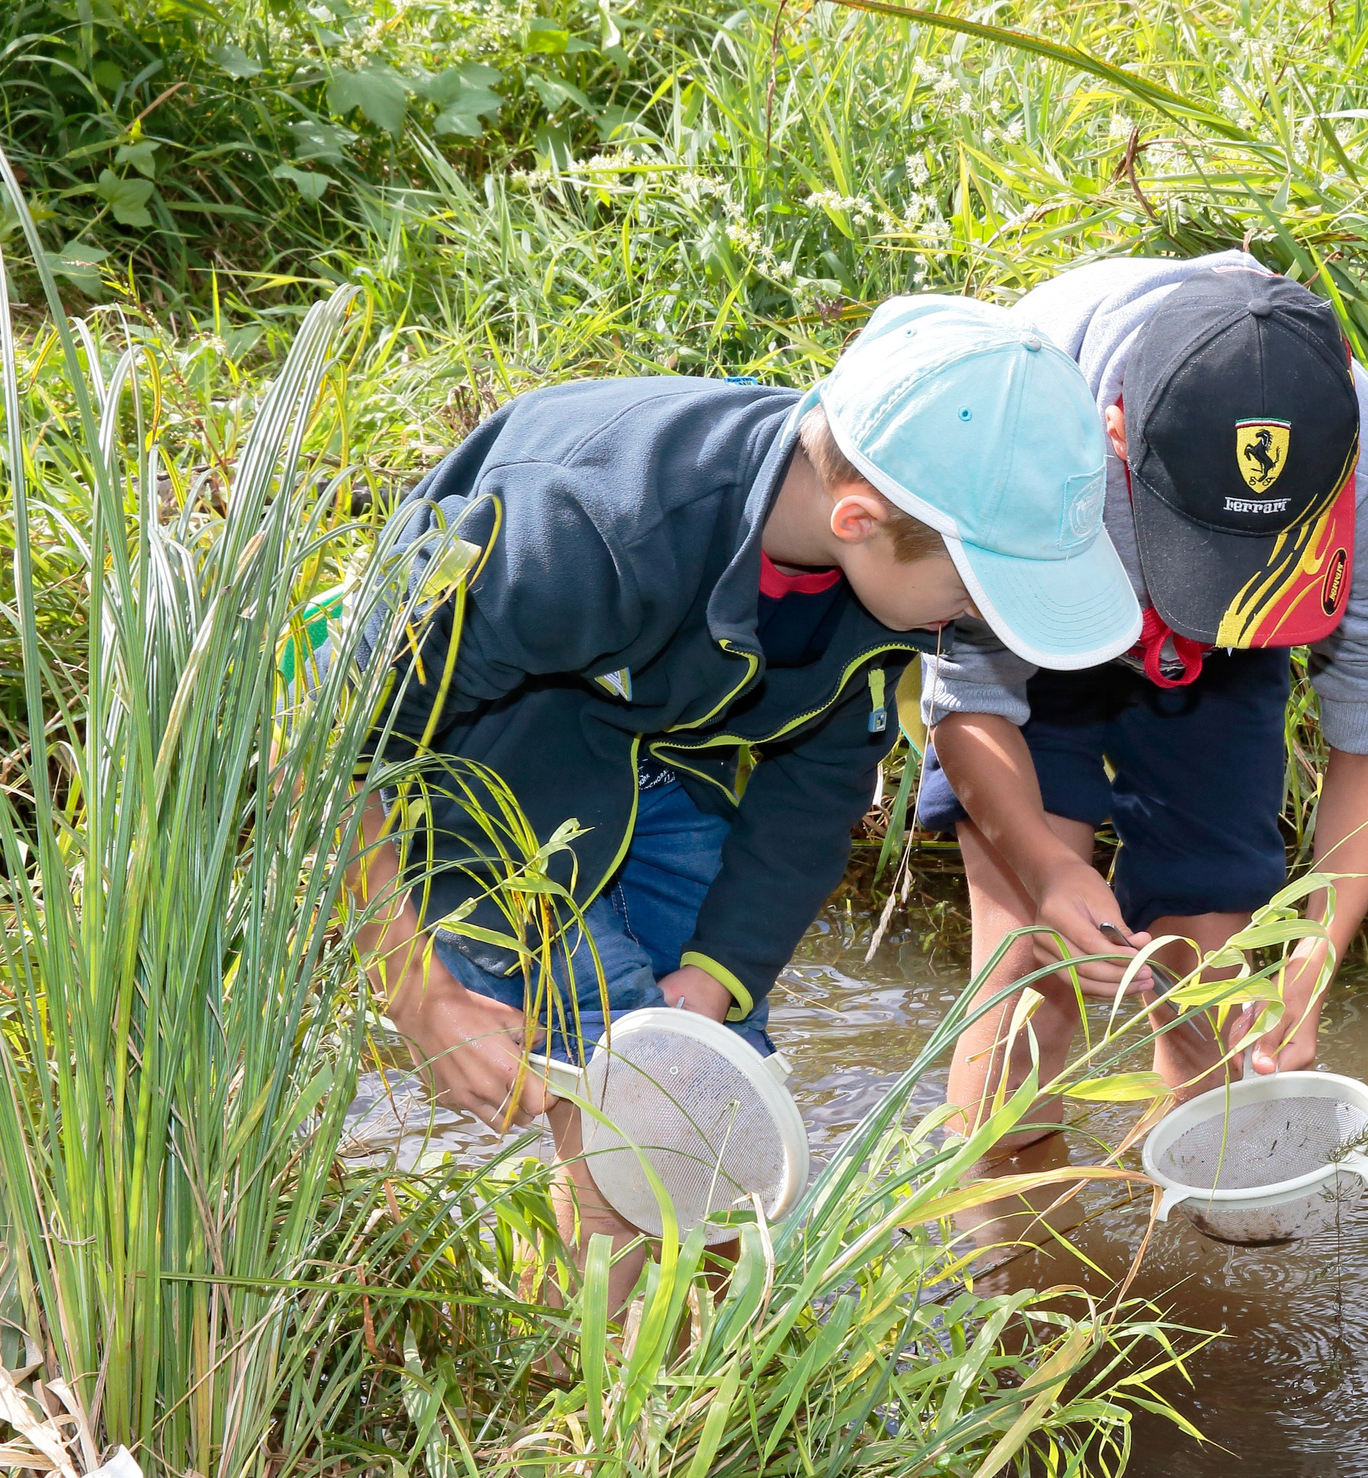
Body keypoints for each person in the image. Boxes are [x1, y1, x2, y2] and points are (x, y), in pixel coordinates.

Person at [345, 295, 1135, 1302]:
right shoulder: (577, 526)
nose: (981, 626)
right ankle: (588, 1408)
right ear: (858, 521)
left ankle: (688, 1377)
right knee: (621, 1088)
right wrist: (420, 998)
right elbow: (327, 759)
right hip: (481, 759)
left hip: (673, 748)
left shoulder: (883, 577)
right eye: (975, 593)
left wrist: (719, 979)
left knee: (717, 1098)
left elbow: (815, 794)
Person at [917, 255, 1368, 1150]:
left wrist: (1315, 956)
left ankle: (1190, 1247)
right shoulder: (1019, 434)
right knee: (1024, 986)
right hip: (1037, 627)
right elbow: (969, 691)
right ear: (1116, 431)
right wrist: (1044, 868)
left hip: (1226, 652)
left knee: (1212, 992)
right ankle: (997, 1254)